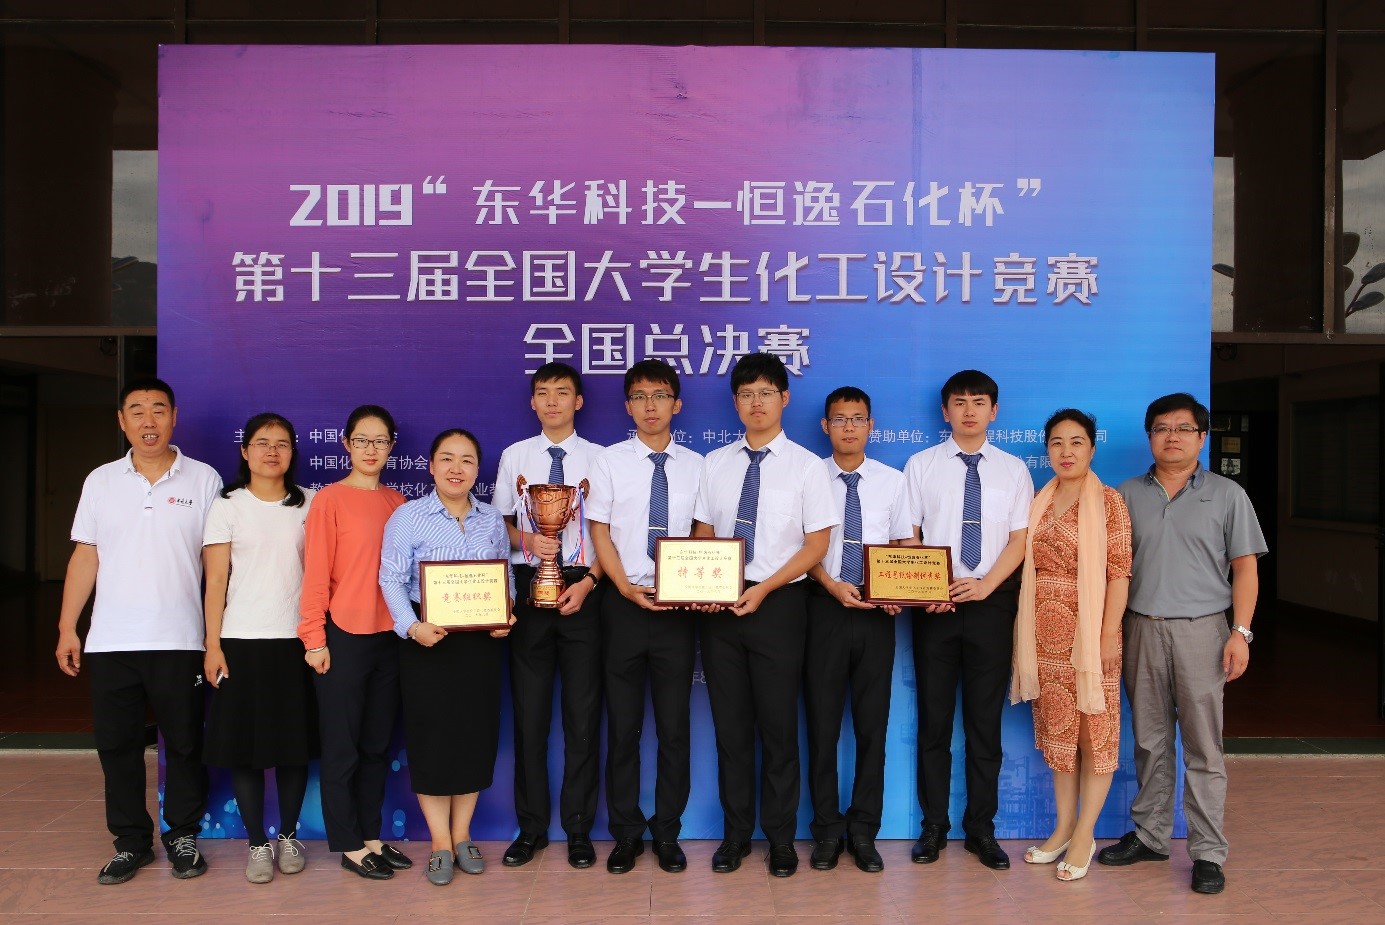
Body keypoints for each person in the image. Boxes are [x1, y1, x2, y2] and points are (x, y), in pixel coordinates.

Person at [1098, 393, 1266, 895]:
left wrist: (1241, 632)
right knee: (1149, 741)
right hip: (1140, 628)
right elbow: (1110, 569)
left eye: (1184, 428)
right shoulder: (1125, 495)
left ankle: (1208, 852)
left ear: (1202, 437)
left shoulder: (1228, 495)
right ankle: (1151, 836)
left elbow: (1246, 569)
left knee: (1203, 747)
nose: (1172, 437)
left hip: (1203, 630)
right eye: (1162, 428)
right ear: (1149, 436)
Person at [55, 377, 221, 884]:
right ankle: (130, 842)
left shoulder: (203, 479)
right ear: (122, 421)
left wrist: (213, 638)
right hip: (111, 642)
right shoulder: (101, 481)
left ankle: (183, 835)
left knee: (186, 743)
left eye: (158, 410)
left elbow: (216, 565)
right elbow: (86, 556)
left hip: (180, 639)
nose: (149, 421)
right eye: (137, 411)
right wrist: (67, 628)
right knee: (118, 746)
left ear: (174, 417)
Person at [692, 352, 838, 878]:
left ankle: (780, 839)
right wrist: (702, 583)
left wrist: (764, 589)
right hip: (721, 607)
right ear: (736, 403)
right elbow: (703, 533)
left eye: (766, 393)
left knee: (778, 729)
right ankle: (735, 837)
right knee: (730, 729)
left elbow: (816, 544)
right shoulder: (714, 463)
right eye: (746, 394)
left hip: (780, 605)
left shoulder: (806, 466)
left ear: (784, 399)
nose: (756, 403)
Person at [903, 369, 1034, 871]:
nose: (969, 410)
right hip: (934, 609)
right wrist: (928, 587)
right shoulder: (921, 465)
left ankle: (981, 829)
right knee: (934, 724)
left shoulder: (1013, 470)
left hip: (991, 606)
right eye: (959, 402)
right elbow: (908, 534)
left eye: (979, 402)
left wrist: (985, 585)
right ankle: (933, 827)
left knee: (984, 725)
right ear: (945, 412)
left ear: (993, 411)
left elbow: (1019, 541)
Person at [380, 429, 516, 886]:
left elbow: (504, 575)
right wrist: (411, 626)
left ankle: (463, 836)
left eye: (467, 460)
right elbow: (390, 579)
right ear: (432, 466)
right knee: (433, 739)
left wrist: (507, 612)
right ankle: (440, 842)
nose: (457, 468)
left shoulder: (491, 518)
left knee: (473, 736)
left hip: (480, 644)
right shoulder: (408, 516)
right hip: (428, 641)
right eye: (447, 459)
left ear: (478, 469)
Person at [588, 360, 703, 875]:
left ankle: (668, 832)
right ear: (628, 406)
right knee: (624, 727)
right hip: (623, 604)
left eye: (659, 395)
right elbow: (600, 531)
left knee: (675, 728)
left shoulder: (697, 465)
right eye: (639, 396)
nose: (650, 405)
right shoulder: (610, 462)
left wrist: (689, 584)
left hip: (678, 608)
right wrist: (623, 588)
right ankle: (627, 833)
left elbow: (703, 531)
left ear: (677, 404)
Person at [491, 362, 606, 868]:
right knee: (530, 717)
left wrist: (590, 581)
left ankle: (578, 829)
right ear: (532, 402)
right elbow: (498, 524)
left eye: (562, 392)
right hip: (528, 590)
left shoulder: (601, 458)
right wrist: (528, 540)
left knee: (582, 717)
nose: (552, 400)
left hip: (584, 589)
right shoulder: (515, 455)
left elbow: (609, 533)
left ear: (578, 401)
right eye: (543, 393)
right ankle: (532, 828)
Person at [1010, 409, 1131, 882]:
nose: (1066, 451)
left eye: (1076, 442)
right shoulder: (1040, 500)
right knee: (1060, 732)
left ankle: (1085, 834)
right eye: (1057, 443)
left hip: (1093, 634)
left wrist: (1107, 635)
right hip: (1043, 636)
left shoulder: (1109, 502)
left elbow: (1119, 573)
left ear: (1092, 449)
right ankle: (1062, 827)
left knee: (1093, 733)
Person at [202, 412, 318, 884]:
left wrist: (317, 637)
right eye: (263, 442)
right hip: (241, 640)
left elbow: (319, 574)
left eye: (282, 443)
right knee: (245, 749)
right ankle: (256, 843)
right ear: (245, 451)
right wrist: (212, 644)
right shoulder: (227, 505)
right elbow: (215, 581)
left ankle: (288, 836)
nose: (273, 451)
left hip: (296, 641)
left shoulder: (309, 503)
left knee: (293, 748)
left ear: (292, 452)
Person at [298, 404, 412, 880]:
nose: (371, 449)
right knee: (342, 747)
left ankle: (371, 836)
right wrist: (313, 638)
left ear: (391, 447)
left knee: (376, 746)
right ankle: (347, 844)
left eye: (380, 441)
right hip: (342, 635)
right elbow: (315, 573)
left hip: (391, 636)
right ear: (346, 444)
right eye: (362, 440)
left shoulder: (399, 502)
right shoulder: (329, 500)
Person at [803, 386, 912, 874]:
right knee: (822, 727)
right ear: (825, 426)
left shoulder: (893, 481)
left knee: (872, 726)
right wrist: (830, 584)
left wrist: (902, 589)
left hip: (876, 613)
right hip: (821, 607)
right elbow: (798, 549)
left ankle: (864, 829)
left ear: (871, 426)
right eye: (840, 419)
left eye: (858, 419)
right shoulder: (808, 476)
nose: (849, 427)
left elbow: (905, 544)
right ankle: (827, 829)